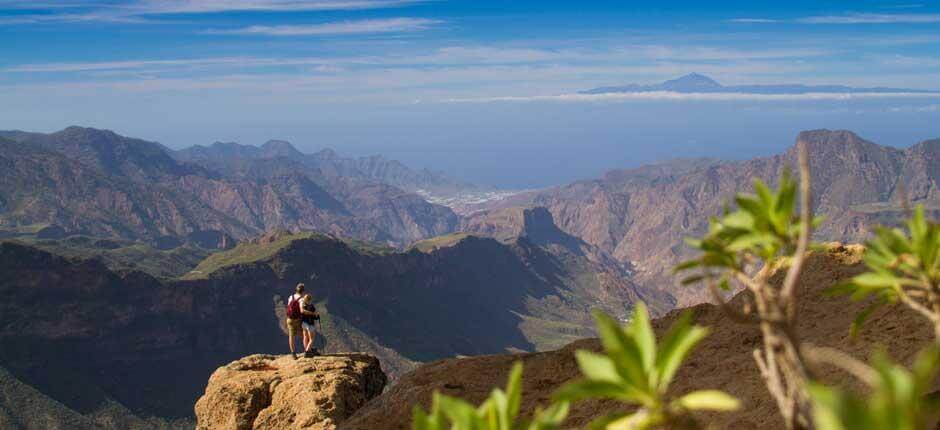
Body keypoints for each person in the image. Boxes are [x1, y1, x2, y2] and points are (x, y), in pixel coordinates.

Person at [285, 283, 306, 359]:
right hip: (298, 319)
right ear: (303, 291)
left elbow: (288, 307)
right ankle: (307, 350)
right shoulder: (302, 299)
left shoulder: (291, 297)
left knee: (291, 336)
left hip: (289, 319)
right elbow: (302, 310)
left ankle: (293, 353)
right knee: (303, 335)